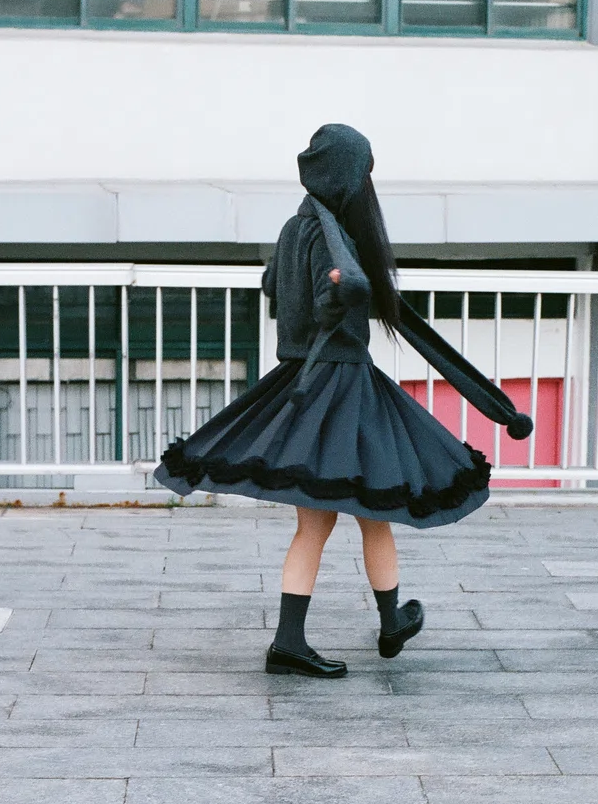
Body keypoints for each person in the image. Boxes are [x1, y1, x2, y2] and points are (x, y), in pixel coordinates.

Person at [156, 123, 496, 678]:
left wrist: (337, 286)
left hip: (303, 383)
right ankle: (353, 629)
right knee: (368, 510)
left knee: (337, 519)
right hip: (340, 388)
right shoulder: (332, 237)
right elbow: (328, 300)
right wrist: (342, 289)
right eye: (363, 173)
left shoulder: (295, 228)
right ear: (347, 177)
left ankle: (332, 633)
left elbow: (273, 288)